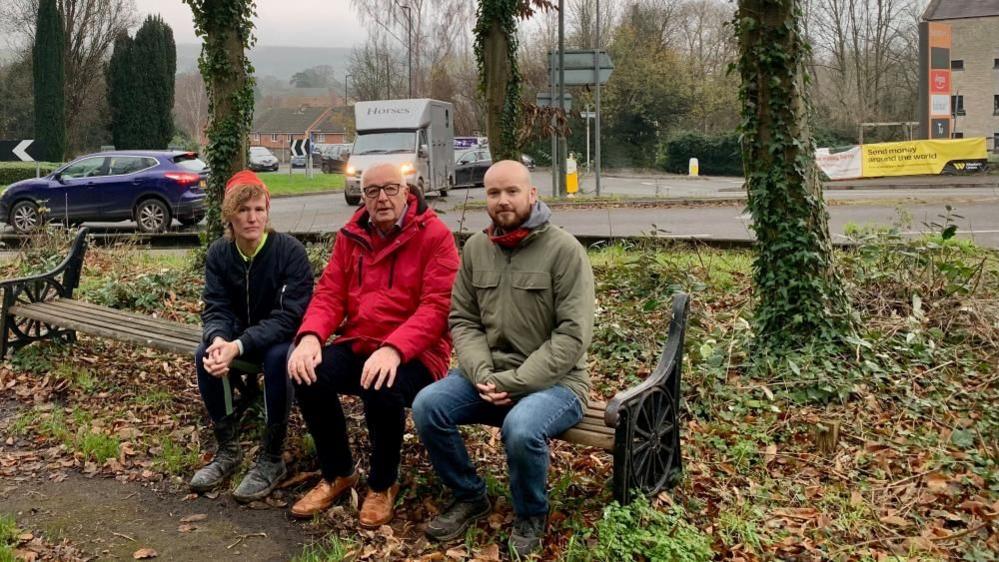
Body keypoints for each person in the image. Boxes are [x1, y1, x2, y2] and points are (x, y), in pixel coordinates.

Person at [412, 160, 595, 558]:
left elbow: (571, 336)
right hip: (488, 373)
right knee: (427, 405)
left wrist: (511, 382)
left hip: (559, 383)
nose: (503, 200)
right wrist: (482, 373)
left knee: (521, 427)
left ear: (532, 194)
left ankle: (531, 513)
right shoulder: (478, 248)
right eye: (494, 193)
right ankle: (469, 494)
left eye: (512, 191)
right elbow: (463, 318)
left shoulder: (564, 251)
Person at [286, 162, 459, 527]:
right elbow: (331, 294)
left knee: (382, 385)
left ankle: (382, 483)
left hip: (419, 352)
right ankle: (338, 473)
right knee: (305, 372)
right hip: (362, 341)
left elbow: (438, 307)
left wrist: (394, 348)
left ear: (407, 191)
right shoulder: (351, 235)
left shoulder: (434, 235)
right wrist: (311, 337)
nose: (382, 198)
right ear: (362, 197)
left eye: (391, 188)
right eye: (372, 191)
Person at [190, 170, 314, 503]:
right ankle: (228, 450)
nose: (252, 218)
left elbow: (290, 316)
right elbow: (216, 306)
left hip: (277, 339)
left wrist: (238, 345)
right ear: (230, 215)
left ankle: (272, 457)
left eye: (259, 209)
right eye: (244, 210)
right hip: (235, 338)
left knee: (277, 359)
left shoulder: (289, 252)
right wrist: (218, 339)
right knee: (205, 354)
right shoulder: (219, 253)